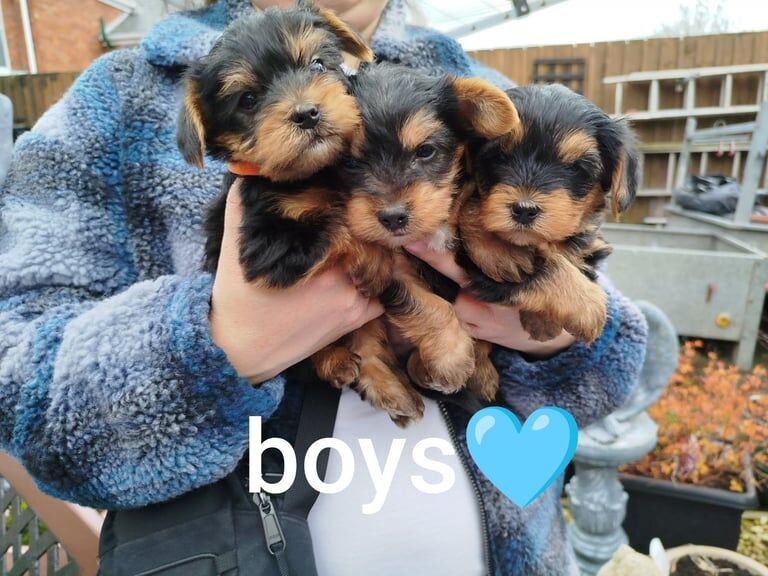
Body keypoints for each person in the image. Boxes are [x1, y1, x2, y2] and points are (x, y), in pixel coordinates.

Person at [0, 1, 648, 574]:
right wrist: (214, 348)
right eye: (251, 100)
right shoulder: (115, 100)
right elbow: (19, 389)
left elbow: (604, 360)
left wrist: (555, 335)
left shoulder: (486, 92)